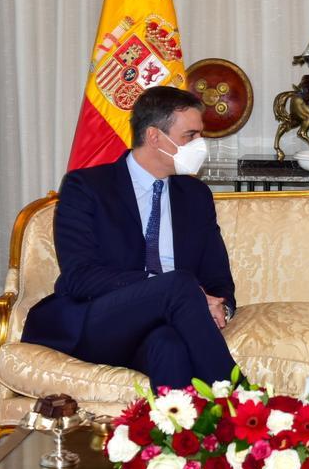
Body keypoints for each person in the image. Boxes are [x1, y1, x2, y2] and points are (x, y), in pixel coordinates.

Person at [22, 86, 238, 392]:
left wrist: (221, 307)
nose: (200, 145)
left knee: (169, 346)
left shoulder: (196, 196)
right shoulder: (87, 187)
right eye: (190, 136)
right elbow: (80, 276)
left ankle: (186, 437)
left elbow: (218, 279)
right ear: (154, 137)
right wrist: (169, 290)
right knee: (179, 283)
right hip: (97, 319)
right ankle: (244, 403)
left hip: (160, 327)